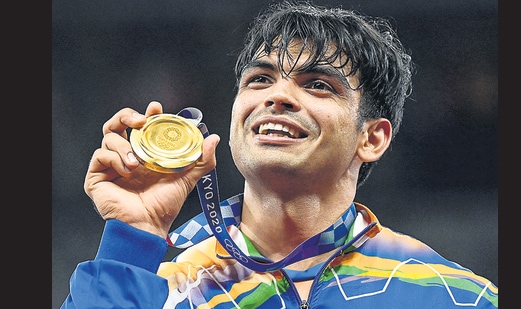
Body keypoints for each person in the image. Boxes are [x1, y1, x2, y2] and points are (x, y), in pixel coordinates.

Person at [60, 1, 498, 308]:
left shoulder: (453, 296)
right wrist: (134, 234)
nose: (278, 96)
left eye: (318, 85)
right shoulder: (163, 288)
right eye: (259, 80)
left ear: (373, 138)